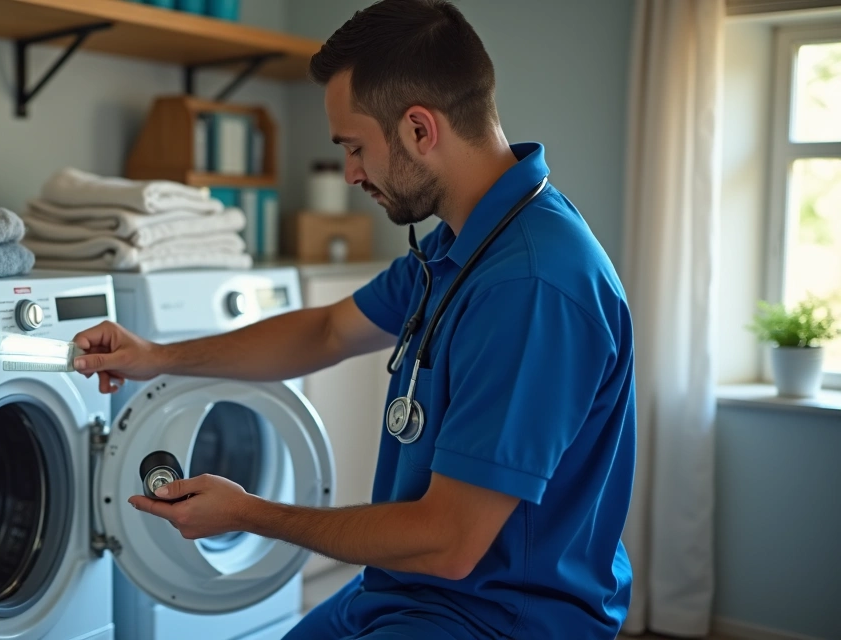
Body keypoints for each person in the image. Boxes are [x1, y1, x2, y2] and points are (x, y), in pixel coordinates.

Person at [71, 0, 636, 637]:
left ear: (420, 129)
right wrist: (155, 356)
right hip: (408, 590)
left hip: (500, 618)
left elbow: (449, 541)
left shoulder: (532, 286)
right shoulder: (460, 244)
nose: (350, 173)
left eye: (355, 147)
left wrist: (251, 514)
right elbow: (326, 331)